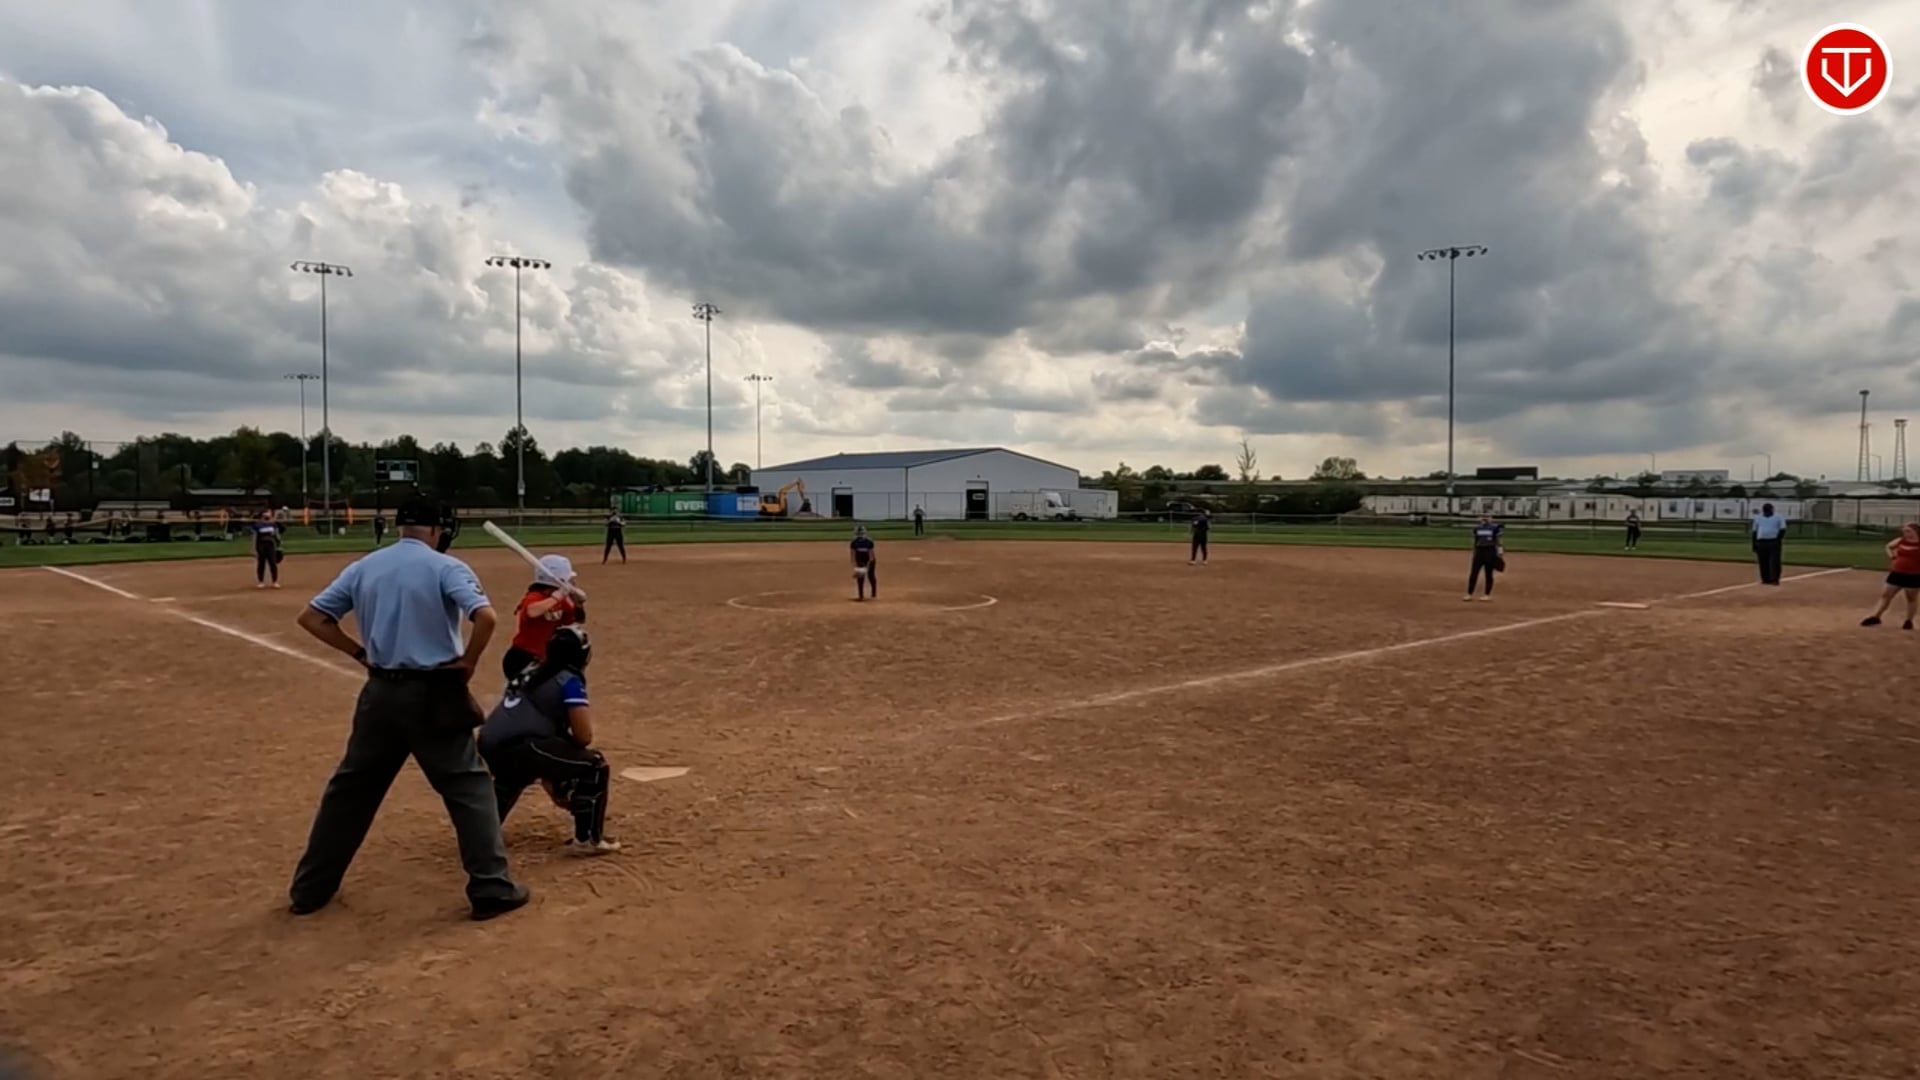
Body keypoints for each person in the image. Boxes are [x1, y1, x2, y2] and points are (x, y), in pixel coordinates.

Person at [286, 493, 529, 921]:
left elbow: (313, 618)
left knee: (351, 791)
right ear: (435, 529)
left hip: (380, 692)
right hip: (433, 692)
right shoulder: (446, 566)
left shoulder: (365, 565)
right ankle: (491, 887)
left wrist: (359, 653)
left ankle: (310, 890)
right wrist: (468, 661)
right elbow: (486, 617)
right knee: (468, 787)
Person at [478, 625, 619, 854]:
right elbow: (583, 736)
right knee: (594, 765)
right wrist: (562, 776)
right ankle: (587, 840)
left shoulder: (530, 670)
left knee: (514, 774)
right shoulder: (569, 680)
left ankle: (479, 834)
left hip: (490, 742)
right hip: (523, 745)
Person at [503, 554, 585, 681]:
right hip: (522, 658)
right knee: (523, 692)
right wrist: (557, 596)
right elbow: (531, 611)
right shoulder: (535, 596)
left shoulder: (561, 601)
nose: (571, 583)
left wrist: (578, 604)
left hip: (544, 659)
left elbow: (577, 620)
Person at [1861, 523, 1920, 629]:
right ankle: (1876, 617)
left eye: (1908, 531)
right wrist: (1892, 556)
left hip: (1913, 575)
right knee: (1886, 595)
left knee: (1911, 598)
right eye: (1904, 531)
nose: (1905, 533)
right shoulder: (1901, 540)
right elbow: (1888, 546)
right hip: (1897, 573)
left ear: (1916, 531)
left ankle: (1909, 621)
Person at [1466, 514, 1503, 601]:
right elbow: (1475, 541)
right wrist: (1474, 551)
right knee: (1474, 573)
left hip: (1490, 551)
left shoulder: (1495, 528)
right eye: (1484, 517)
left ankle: (1487, 595)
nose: (1485, 519)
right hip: (1479, 551)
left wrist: (1500, 551)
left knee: (1488, 574)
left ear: (1491, 519)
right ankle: (1469, 594)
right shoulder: (1477, 528)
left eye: (1487, 517)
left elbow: (1498, 540)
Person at [1751, 502, 1786, 585]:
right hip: (1761, 541)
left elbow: (1782, 529)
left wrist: (1778, 539)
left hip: (1773, 541)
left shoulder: (1778, 517)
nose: (1767, 512)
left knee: (1774, 561)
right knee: (1763, 561)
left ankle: (1774, 579)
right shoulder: (1758, 518)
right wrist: (1754, 544)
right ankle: (1765, 579)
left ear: (1772, 510)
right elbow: (1755, 532)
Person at [251, 509, 283, 589]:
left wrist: (279, 546)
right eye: (266, 513)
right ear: (262, 515)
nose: (268, 514)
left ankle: (275, 582)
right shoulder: (258, 525)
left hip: (271, 546)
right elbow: (254, 537)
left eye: (269, 513)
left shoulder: (273, 524)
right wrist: (254, 549)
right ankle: (261, 582)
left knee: (273, 563)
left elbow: (278, 535)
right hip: (261, 546)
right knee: (261, 564)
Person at [851, 524, 877, 600]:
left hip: (870, 560)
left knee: (871, 576)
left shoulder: (869, 542)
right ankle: (861, 595)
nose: (860, 535)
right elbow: (853, 555)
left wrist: (867, 567)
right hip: (860, 560)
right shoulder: (854, 542)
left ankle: (873, 594)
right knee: (860, 577)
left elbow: (871, 556)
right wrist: (856, 567)